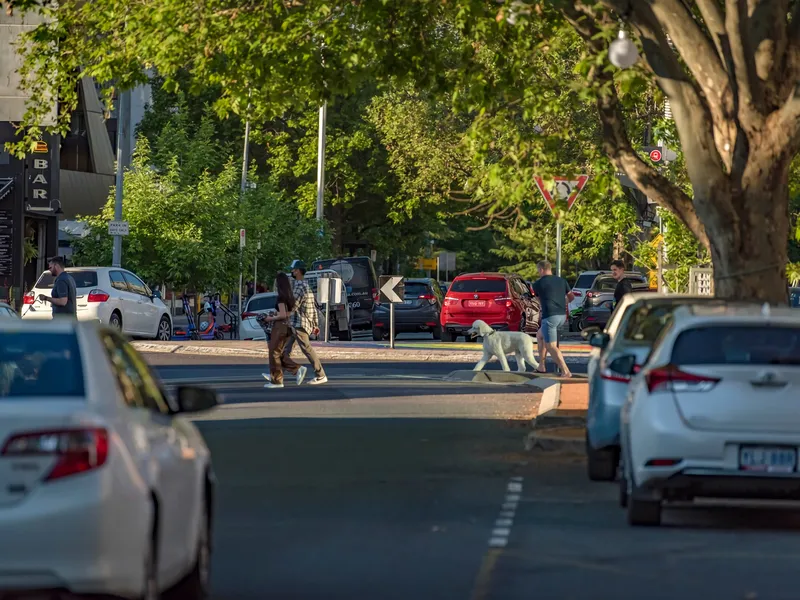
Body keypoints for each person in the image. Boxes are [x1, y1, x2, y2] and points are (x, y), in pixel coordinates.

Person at [284, 259, 328, 385]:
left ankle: (321, 375)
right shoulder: (306, 286)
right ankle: (276, 375)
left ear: (297, 271)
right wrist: (314, 324)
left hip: (299, 323)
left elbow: (292, 305)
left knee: (307, 349)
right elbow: (312, 307)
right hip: (298, 323)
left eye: (292, 270)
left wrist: (280, 315)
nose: (291, 272)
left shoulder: (299, 286)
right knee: (286, 350)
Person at [261, 273, 307, 389]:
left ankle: (277, 381)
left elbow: (282, 315)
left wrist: (270, 318)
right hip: (288, 326)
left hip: (280, 327)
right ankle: (295, 369)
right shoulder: (290, 297)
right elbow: (288, 313)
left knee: (274, 353)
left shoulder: (281, 297)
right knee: (279, 353)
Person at [531, 260, 574, 377]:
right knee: (540, 335)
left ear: (541, 269)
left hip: (550, 317)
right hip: (562, 316)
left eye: (538, 270)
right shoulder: (562, 280)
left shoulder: (538, 283)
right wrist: (563, 302)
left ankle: (565, 371)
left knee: (551, 346)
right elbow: (571, 297)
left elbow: (537, 300)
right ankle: (541, 365)